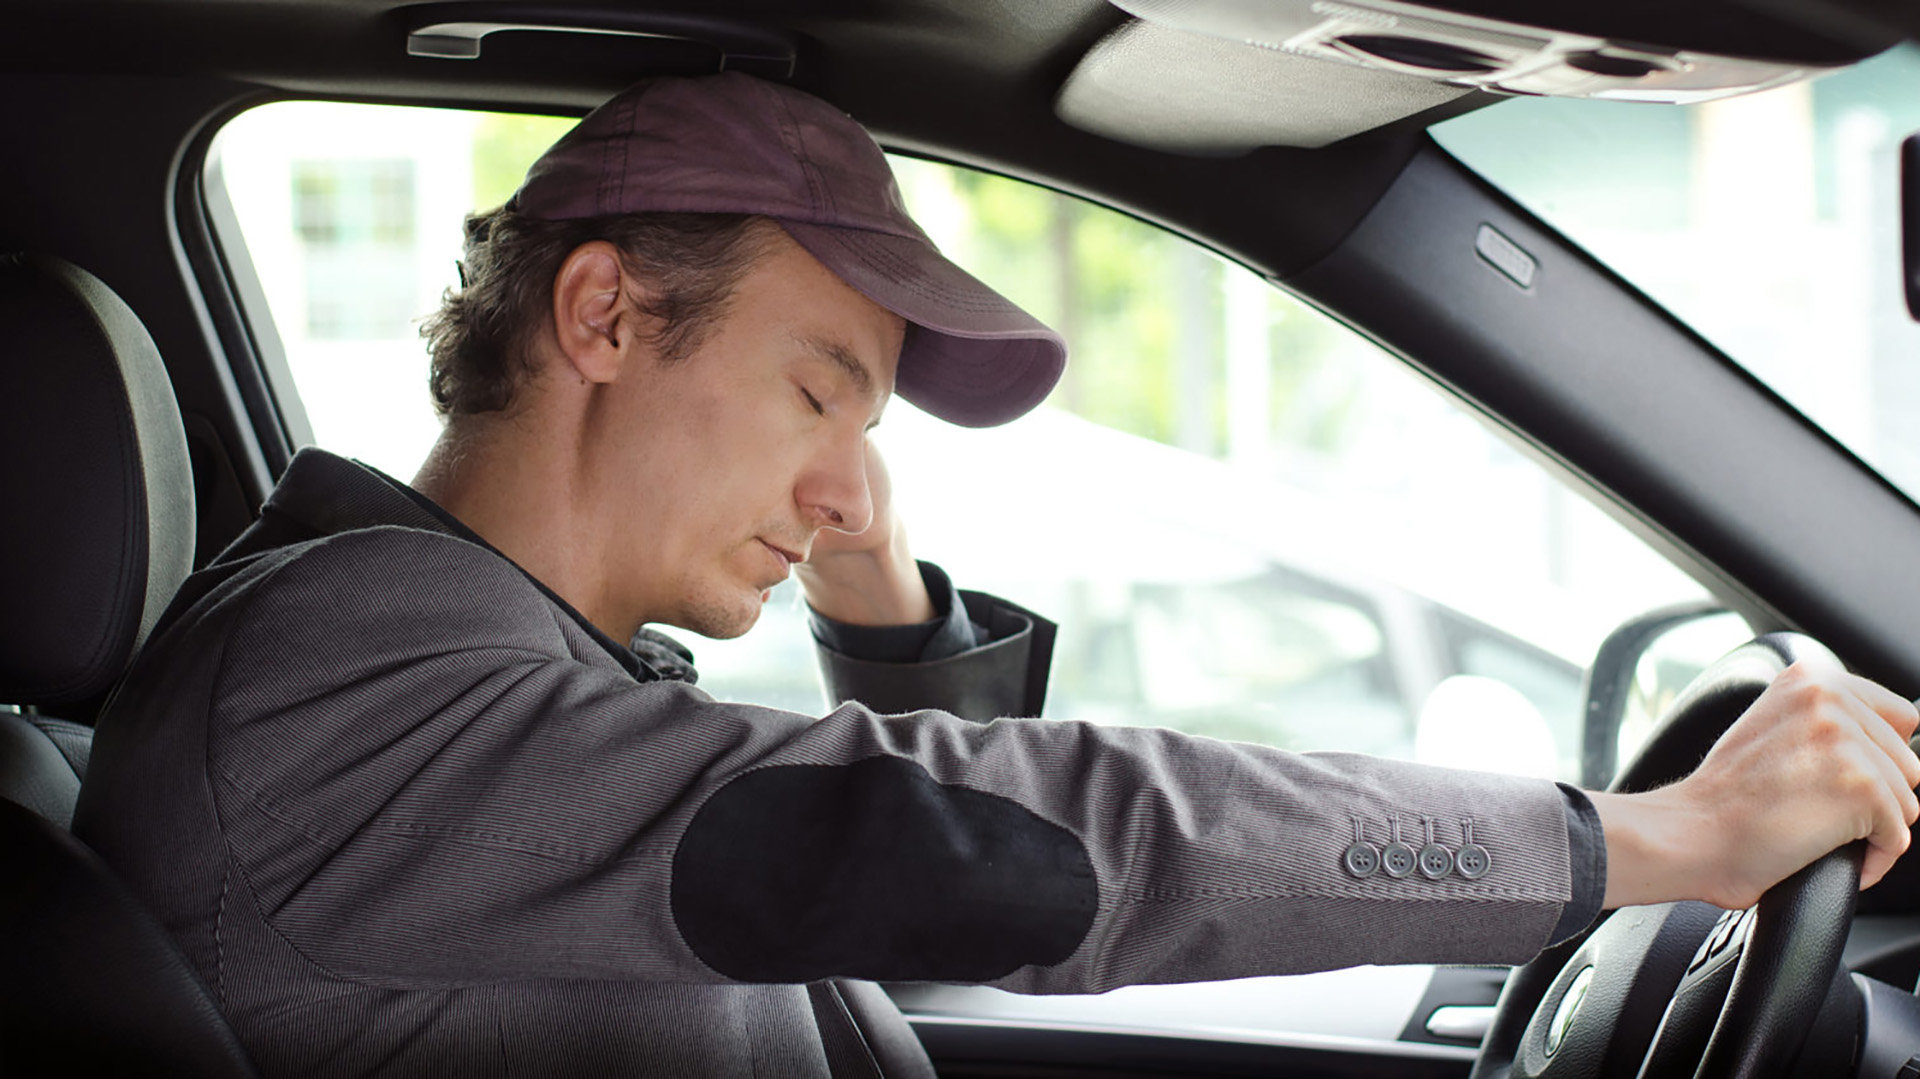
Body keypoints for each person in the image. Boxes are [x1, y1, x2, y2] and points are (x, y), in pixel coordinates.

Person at [75, 72, 1920, 1078]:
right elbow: (960, 841)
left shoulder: (476, 658)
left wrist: (862, 571)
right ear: (606, 311)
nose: (845, 476)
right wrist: (1634, 845)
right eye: (820, 386)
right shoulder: (336, 689)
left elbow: (802, 873)